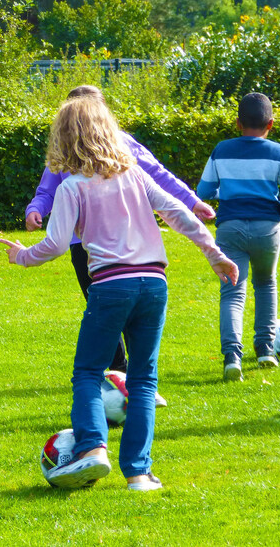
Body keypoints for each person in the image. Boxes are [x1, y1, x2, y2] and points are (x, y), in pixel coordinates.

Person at [1, 97, 238, 490]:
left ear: (63, 139)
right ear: (109, 131)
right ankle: (139, 474)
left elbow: (56, 245)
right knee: (144, 379)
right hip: (155, 284)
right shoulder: (135, 176)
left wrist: (22, 256)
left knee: (88, 373)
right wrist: (215, 254)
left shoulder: (72, 188)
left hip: (111, 285)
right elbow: (178, 213)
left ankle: (93, 449)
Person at [25, 85, 216, 375]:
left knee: (122, 306)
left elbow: (158, 176)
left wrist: (192, 201)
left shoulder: (124, 145)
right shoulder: (65, 152)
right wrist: (36, 208)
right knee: (99, 305)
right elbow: (47, 189)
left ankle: (128, 376)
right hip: (85, 245)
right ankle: (118, 370)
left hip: (130, 243)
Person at [196, 92, 280, 381]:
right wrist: (275, 212)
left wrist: (225, 196)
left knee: (232, 291)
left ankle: (232, 356)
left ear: (237, 123)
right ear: (271, 123)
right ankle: (266, 349)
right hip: (266, 229)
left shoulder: (222, 149)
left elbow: (203, 193)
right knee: (266, 284)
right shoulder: (279, 153)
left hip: (230, 227)